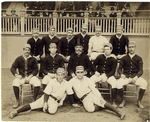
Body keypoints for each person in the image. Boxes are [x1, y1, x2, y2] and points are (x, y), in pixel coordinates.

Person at [9, 67, 79, 119]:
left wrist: (73, 103)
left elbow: (70, 94)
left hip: (54, 101)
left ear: (64, 75)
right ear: (56, 75)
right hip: (48, 97)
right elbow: (47, 93)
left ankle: (42, 108)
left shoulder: (66, 83)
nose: (60, 76)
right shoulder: (52, 81)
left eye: (62, 75)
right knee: (33, 105)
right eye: (59, 74)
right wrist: (45, 103)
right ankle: (16, 112)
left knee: (52, 111)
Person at [117, 41, 147, 108]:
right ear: (128, 48)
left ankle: (139, 101)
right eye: (130, 47)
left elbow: (141, 70)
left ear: (135, 48)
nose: (131, 49)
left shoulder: (139, 58)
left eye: (132, 47)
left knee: (144, 83)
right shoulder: (124, 58)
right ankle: (123, 100)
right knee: (118, 83)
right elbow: (119, 69)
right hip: (126, 77)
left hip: (135, 77)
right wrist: (121, 74)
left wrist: (136, 77)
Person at [10, 44, 41, 108]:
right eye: (25, 50)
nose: (27, 51)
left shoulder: (33, 59)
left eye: (28, 50)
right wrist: (16, 75)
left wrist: (30, 76)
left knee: (37, 82)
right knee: (15, 82)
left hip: (31, 77)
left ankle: (34, 100)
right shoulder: (19, 59)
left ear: (30, 51)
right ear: (23, 50)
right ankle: (17, 100)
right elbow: (12, 68)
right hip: (22, 77)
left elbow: (36, 70)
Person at [90, 43, 118, 107]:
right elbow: (93, 65)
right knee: (90, 81)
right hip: (99, 74)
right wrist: (95, 71)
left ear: (111, 50)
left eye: (108, 49)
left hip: (108, 76)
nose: (106, 51)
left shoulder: (113, 59)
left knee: (114, 83)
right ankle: (93, 99)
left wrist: (106, 76)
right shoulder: (100, 56)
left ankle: (113, 101)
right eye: (105, 49)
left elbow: (113, 71)